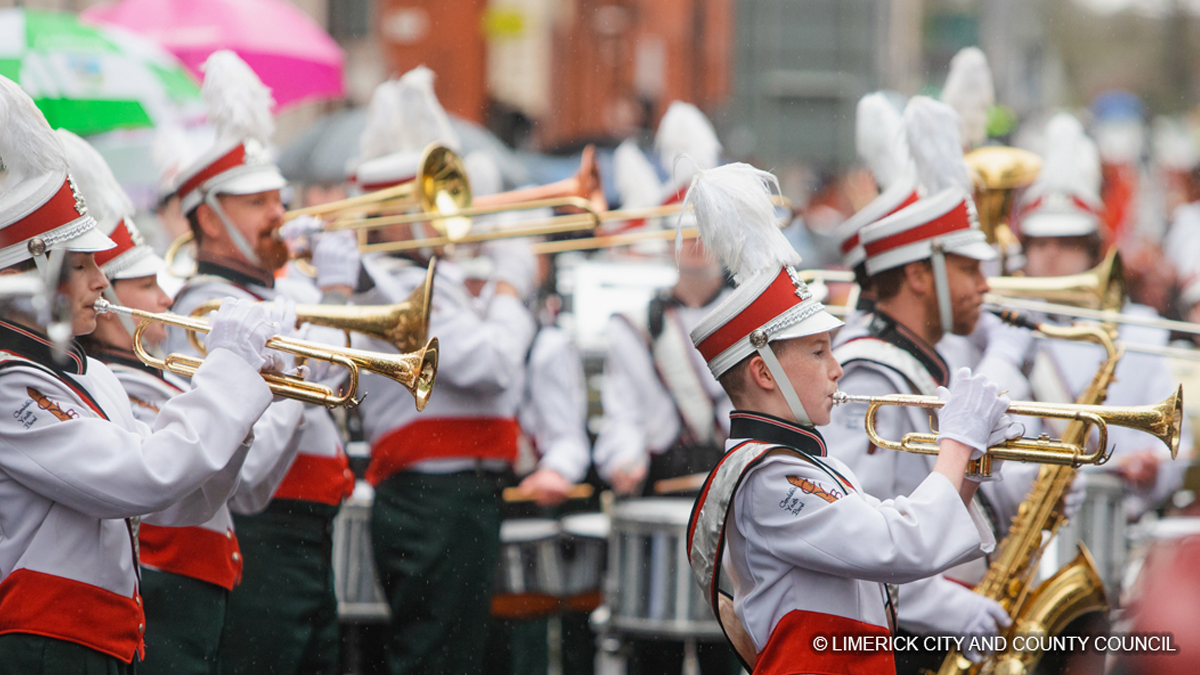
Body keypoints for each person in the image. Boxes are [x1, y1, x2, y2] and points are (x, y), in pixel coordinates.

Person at [0, 74, 280, 674]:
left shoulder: (90, 376)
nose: (102, 282)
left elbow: (181, 503)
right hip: (41, 648)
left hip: (108, 643)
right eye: (82, 266)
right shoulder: (8, 385)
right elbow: (142, 477)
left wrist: (245, 408)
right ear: (31, 278)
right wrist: (226, 376)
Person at [684, 162, 1006, 675]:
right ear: (764, 373)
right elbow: (894, 546)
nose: (837, 369)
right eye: (817, 353)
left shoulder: (806, 465)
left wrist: (969, 463)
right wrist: (956, 444)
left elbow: (900, 550)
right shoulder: (769, 478)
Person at [59, 128, 308, 675]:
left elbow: (227, 492)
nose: (167, 298)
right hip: (160, 597)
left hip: (194, 594)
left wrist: (268, 391)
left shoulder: (120, 381)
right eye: (146, 286)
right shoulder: (114, 383)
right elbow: (158, 476)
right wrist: (269, 392)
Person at [823, 97, 1036, 673]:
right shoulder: (869, 373)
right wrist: (947, 607)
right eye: (969, 269)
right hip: (904, 642)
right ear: (919, 275)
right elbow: (856, 542)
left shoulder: (920, 360)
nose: (984, 286)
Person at [161, 51, 357, 675]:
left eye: (277, 198)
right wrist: (299, 385)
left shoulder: (281, 297)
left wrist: (338, 303)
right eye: (255, 204)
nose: (279, 214)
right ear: (209, 223)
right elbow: (240, 479)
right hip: (263, 538)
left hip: (310, 533)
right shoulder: (202, 312)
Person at [348, 67, 537, 675]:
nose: (438, 217)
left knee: (455, 653)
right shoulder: (396, 285)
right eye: (422, 204)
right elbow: (492, 363)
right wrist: (510, 286)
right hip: (432, 498)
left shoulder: (434, 278)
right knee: (437, 658)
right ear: (389, 211)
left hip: (455, 495)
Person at [1018, 112, 1192, 519]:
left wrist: (1155, 470)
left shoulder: (1142, 330)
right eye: (1039, 243)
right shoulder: (1000, 328)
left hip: (1115, 516)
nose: (1051, 256)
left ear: (1095, 250)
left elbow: (1172, 440)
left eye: (1067, 242)